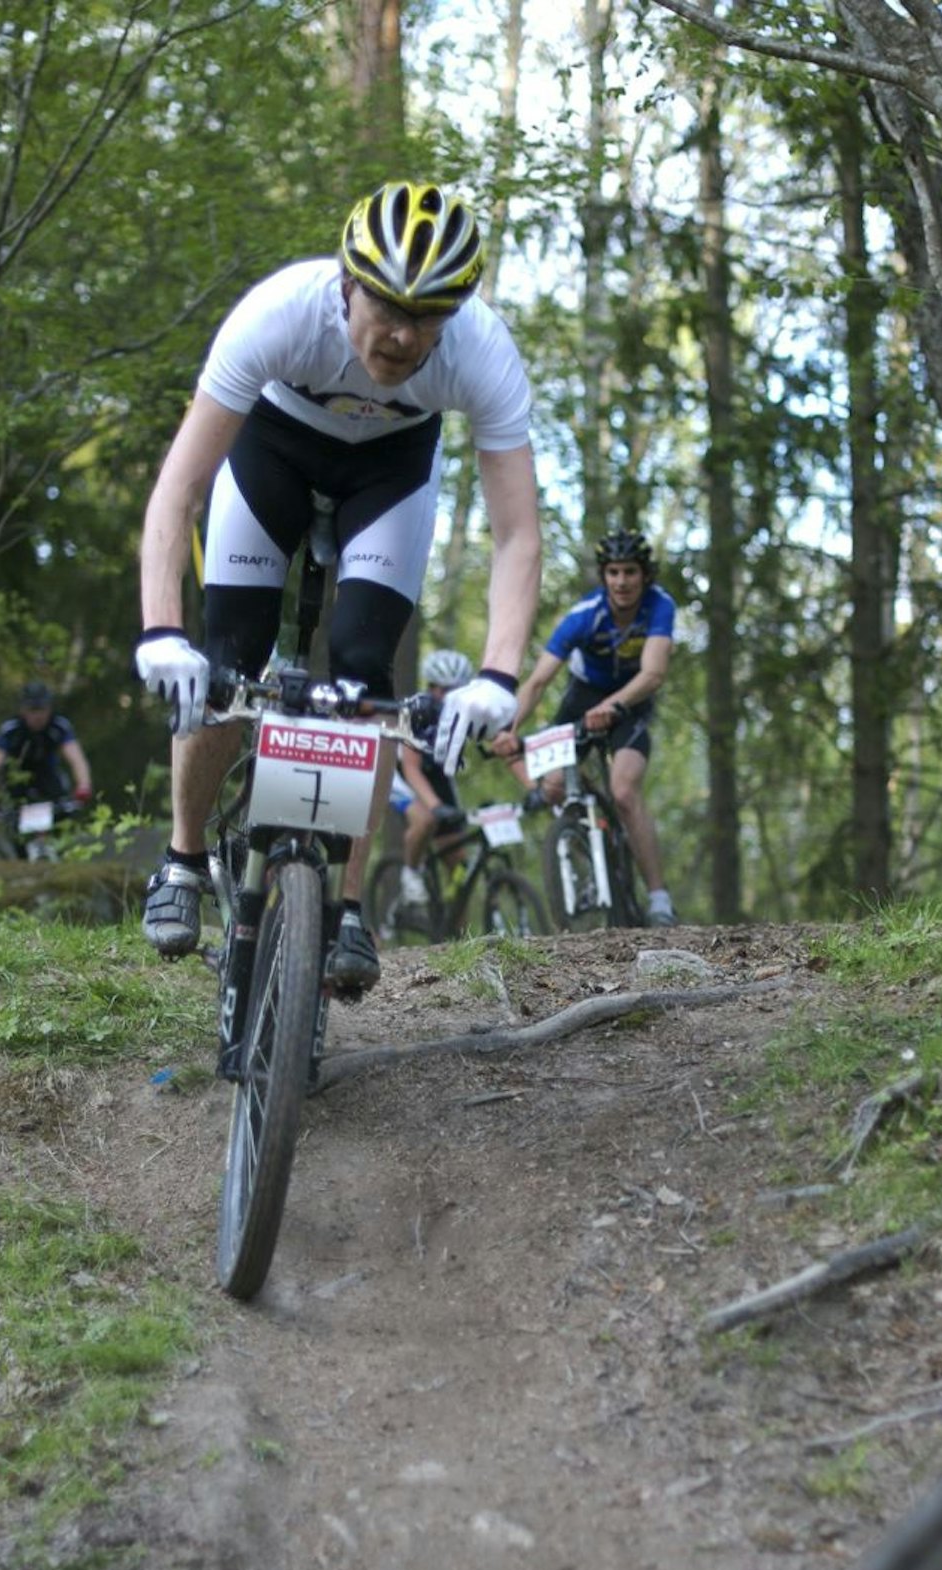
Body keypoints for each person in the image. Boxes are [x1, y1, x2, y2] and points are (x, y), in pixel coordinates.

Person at [133, 179, 541, 993]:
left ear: (453, 317)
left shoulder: (483, 353)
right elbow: (178, 489)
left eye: (424, 319)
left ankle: (348, 905)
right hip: (273, 453)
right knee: (230, 658)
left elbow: (517, 532)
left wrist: (499, 674)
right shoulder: (280, 311)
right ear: (347, 283)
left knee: (364, 670)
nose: (397, 334)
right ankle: (180, 859)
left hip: (388, 476)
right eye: (383, 305)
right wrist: (161, 631)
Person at [492, 527, 677, 926]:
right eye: (613, 572)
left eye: (630, 572)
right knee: (554, 785)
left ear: (644, 574)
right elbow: (538, 681)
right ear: (604, 576)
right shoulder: (583, 615)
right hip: (583, 698)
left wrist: (613, 706)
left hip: (632, 701)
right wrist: (510, 727)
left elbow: (653, 674)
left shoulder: (660, 606)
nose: (622, 581)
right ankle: (584, 853)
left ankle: (660, 898)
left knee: (624, 790)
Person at [387, 648, 473, 902]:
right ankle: (410, 872)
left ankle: (455, 926)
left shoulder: (465, 711)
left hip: (435, 775)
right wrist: (436, 806)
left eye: (458, 690)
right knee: (425, 820)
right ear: (432, 687)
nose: (450, 697)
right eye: (445, 690)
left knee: (459, 866)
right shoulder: (417, 710)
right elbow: (411, 768)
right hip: (401, 773)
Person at [0, 681, 93, 810]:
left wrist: (83, 785)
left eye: (42, 709)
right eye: (32, 710)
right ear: (22, 710)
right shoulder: (10, 730)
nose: (38, 716)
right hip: (16, 779)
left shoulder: (59, 726)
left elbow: (77, 759)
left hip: (49, 776)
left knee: (65, 807)